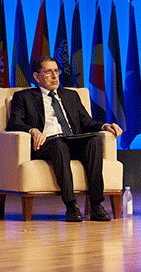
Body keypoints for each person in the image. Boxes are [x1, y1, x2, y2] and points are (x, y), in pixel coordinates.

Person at [7, 56, 123, 222]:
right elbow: (14, 123)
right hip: (47, 144)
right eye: (48, 72)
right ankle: (71, 205)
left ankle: (96, 204)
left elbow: (86, 122)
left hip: (71, 140)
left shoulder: (70, 95)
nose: (55, 76)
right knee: (59, 144)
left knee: (95, 140)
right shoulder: (23, 97)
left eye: (56, 71)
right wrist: (32, 130)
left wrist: (105, 126)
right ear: (36, 76)